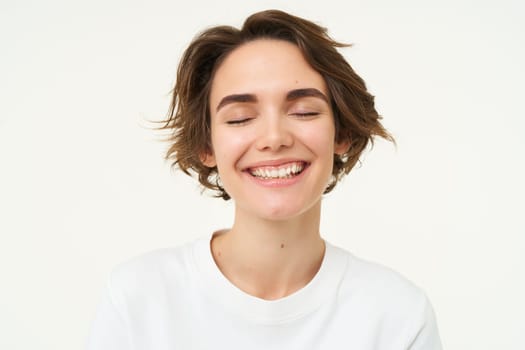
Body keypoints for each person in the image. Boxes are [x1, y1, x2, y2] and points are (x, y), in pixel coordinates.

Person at [87, 9, 442, 349]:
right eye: (240, 118)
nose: (274, 137)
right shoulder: (139, 299)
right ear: (206, 146)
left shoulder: (398, 315)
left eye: (304, 111)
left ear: (342, 133)